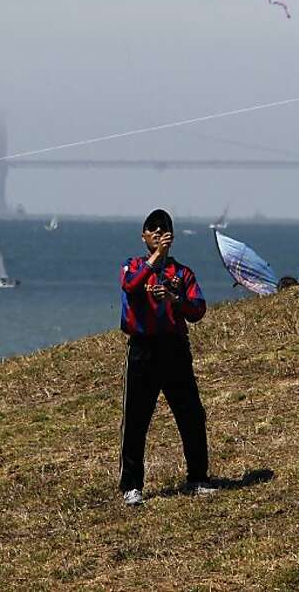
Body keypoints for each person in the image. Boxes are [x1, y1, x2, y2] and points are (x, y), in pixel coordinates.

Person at [118, 209, 212, 506]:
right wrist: (155, 258)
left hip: (174, 348)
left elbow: (198, 309)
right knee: (135, 420)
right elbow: (130, 285)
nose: (159, 233)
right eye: (153, 229)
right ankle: (132, 486)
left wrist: (174, 299)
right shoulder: (132, 265)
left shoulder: (182, 273)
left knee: (191, 415)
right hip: (142, 349)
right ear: (144, 235)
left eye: (165, 229)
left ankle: (197, 478)